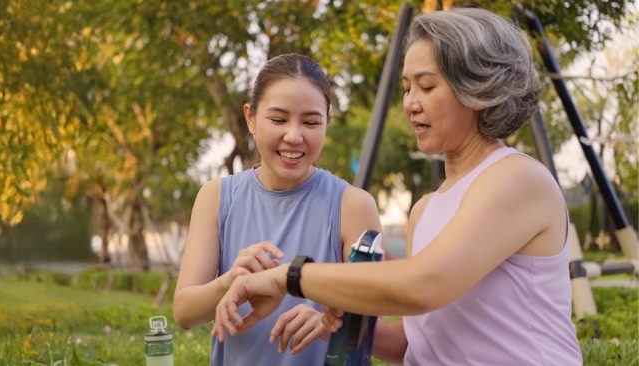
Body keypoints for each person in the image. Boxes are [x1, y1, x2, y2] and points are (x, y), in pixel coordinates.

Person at [212, 8, 581, 365]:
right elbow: (414, 343)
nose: (410, 104)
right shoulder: (424, 210)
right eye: (407, 88)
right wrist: (329, 329)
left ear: (478, 89)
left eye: (427, 86)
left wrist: (287, 277)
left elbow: (422, 286)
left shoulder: (517, 178)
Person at [173, 53, 382, 365]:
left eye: (311, 122)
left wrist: (329, 324)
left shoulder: (353, 205)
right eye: (278, 119)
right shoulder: (216, 197)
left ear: (328, 121)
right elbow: (184, 312)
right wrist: (232, 281)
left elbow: (369, 320)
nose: (294, 136)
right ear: (251, 118)